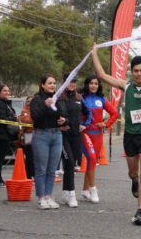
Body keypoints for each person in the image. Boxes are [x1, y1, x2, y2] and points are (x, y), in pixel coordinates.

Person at [91, 32, 141, 225]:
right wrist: (94, 52)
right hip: (130, 137)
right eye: (136, 70)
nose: (140, 73)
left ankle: (140, 210)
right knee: (133, 173)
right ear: (132, 72)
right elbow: (102, 75)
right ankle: (133, 181)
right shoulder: (125, 87)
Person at [30, 74, 68, 210]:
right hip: (41, 134)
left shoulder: (58, 99)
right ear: (42, 85)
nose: (52, 85)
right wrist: (45, 106)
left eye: (54, 83)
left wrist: (64, 120)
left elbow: (64, 114)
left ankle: (48, 196)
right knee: (41, 168)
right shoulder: (37, 100)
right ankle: (41, 197)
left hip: (57, 134)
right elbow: (36, 118)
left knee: (52, 169)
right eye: (49, 83)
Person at [81, 75, 118, 203]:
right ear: (87, 85)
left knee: (92, 162)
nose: (93, 86)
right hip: (85, 134)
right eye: (91, 83)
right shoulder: (82, 98)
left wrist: (106, 124)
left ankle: (85, 190)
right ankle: (93, 189)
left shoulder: (101, 99)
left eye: (96, 83)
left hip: (98, 135)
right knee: (91, 158)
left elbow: (115, 113)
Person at [58, 74, 91, 208]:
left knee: (72, 165)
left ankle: (65, 192)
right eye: (69, 82)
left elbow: (88, 112)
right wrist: (59, 125)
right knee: (70, 163)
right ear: (64, 82)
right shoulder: (59, 97)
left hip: (76, 136)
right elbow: (55, 113)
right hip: (64, 135)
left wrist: (84, 124)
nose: (72, 84)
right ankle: (71, 194)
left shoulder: (79, 97)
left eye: (74, 82)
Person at [18, 96, 35, 179]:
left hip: (37, 134)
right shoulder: (24, 110)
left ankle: (33, 174)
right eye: (29, 101)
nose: (30, 102)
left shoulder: (36, 109)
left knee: (35, 156)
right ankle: (29, 175)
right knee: (29, 156)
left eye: (32, 101)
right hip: (28, 135)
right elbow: (26, 121)